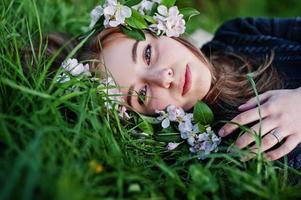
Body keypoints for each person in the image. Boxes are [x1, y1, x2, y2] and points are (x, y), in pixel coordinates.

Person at [41, 16, 301, 167]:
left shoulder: (239, 32)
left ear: (161, 31)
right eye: (141, 94)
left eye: (147, 53)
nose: (163, 77)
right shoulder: (241, 142)